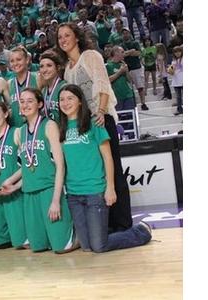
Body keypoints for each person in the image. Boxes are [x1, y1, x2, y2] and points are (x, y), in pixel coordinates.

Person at [56, 23, 133, 233]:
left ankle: (124, 224)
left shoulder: (90, 56)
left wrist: (100, 111)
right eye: (60, 37)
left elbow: (102, 84)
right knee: (99, 174)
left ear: (77, 37)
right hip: (85, 126)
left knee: (114, 171)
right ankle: (105, 224)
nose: (63, 39)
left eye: (67, 35)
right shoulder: (67, 71)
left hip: (101, 119)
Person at [58, 84, 152, 252]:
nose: (65, 103)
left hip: (95, 191)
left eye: (70, 98)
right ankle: (100, 236)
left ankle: (141, 231)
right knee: (87, 247)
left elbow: (108, 158)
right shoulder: (61, 129)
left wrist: (110, 188)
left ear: (80, 101)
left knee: (99, 246)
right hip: (73, 195)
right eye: (62, 100)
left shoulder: (94, 123)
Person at [4, 88, 78, 253]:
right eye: (22, 101)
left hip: (49, 190)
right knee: (37, 247)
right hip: (29, 193)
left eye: (30, 101)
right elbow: (28, 165)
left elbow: (60, 165)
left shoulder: (49, 125)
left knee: (60, 248)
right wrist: (13, 184)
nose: (25, 105)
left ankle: (80, 231)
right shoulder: (20, 132)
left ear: (40, 104)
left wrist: (55, 201)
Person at [0, 101, 27, 249]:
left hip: (14, 192)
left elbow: (27, 164)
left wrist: (13, 183)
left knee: (22, 243)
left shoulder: (17, 132)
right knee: (0, 243)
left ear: (6, 113)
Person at [8, 46, 42, 128]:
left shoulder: (37, 78)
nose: (15, 63)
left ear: (27, 60)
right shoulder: (9, 83)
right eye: (12, 61)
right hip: (16, 129)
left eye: (19, 59)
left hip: (37, 127)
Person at [38, 51, 67, 123]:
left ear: (58, 67)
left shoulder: (64, 87)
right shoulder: (43, 91)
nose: (45, 70)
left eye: (49, 65)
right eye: (42, 66)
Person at [106, 46, 136, 111]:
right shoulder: (108, 66)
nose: (124, 54)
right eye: (122, 52)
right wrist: (120, 72)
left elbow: (130, 80)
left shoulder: (123, 65)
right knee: (120, 119)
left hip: (128, 95)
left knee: (130, 117)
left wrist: (127, 71)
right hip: (117, 97)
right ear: (116, 53)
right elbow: (108, 80)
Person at [168, 45, 183, 115]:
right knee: (178, 97)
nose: (177, 53)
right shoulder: (173, 62)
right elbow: (171, 71)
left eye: (179, 51)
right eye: (175, 52)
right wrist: (170, 70)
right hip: (176, 81)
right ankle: (179, 109)